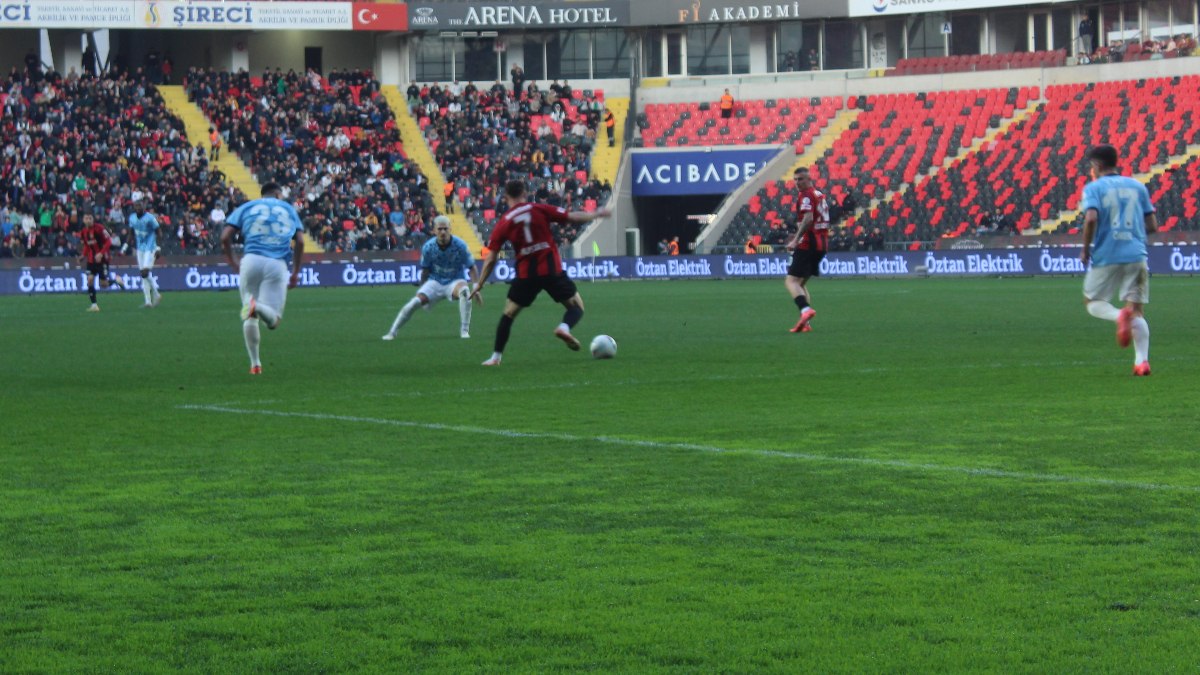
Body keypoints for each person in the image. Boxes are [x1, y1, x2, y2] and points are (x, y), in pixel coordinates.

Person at [470, 180, 611, 366]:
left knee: (509, 314)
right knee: (576, 306)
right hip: (551, 269)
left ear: (506, 198)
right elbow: (572, 217)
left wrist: (480, 283)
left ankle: (495, 357)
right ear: (525, 193)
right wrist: (596, 213)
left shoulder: (504, 222)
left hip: (526, 275)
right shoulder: (539, 208)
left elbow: (491, 258)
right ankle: (563, 327)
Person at [1079, 144, 1158, 376]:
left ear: (1096, 165)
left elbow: (1091, 217)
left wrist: (1085, 249)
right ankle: (1141, 362)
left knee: (1092, 302)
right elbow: (1152, 226)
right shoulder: (1137, 186)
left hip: (1107, 255)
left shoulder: (1094, 188)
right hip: (1136, 254)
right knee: (1137, 311)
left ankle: (1118, 315)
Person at [220, 183, 306, 375]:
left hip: (250, 261)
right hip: (276, 263)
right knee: (273, 321)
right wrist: (296, 272)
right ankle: (256, 306)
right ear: (277, 193)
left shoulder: (247, 207)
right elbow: (300, 241)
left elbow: (225, 236)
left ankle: (255, 364)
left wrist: (234, 263)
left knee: (249, 316)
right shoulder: (287, 209)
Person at [383, 215, 480, 341]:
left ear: (450, 229)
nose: (443, 232)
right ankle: (392, 332)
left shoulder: (460, 245)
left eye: (445, 229)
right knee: (414, 303)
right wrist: (422, 290)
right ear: (434, 230)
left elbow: (472, 267)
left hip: (455, 280)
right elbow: (425, 270)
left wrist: (476, 287)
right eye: (440, 229)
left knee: (465, 292)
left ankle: (464, 331)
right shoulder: (428, 247)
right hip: (435, 281)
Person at [784, 166, 830, 333]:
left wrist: (796, 239)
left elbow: (808, 218)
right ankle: (806, 323)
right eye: (795, 180)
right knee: (801, 284)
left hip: (808, 244)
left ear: (809, 179)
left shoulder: (806, 195)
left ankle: (805, 310)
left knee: (791, 281)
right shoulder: (819, 194)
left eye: (801, 179)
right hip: (821, 245)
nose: (798, 183)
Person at [79, 213, 125, 312]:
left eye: (90, 218)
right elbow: (87, 246)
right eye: (86, 218)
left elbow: (108, 241)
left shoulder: (99, 228)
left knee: (103, 284)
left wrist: (100, 253)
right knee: (89, 280)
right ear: (83, 220)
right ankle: (94, 305)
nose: (88, 220)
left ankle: (116, 281)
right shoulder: (83, 232)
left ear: (93, 219)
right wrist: (83, 255)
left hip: (103, 259)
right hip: (91, 260)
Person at [127, 200, 162, 308]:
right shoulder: (132, 218)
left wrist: (158, 248)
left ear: (144, 206)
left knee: (145, 272)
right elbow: (131, 233)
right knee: (143, 275)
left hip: (150, 248)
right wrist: (125, 247)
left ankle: (156, 293)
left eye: (140, 205)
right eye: (136, 205)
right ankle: (148, 301)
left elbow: (159, 232)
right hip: (140, 249)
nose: (138, 207)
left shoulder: (150, 218)